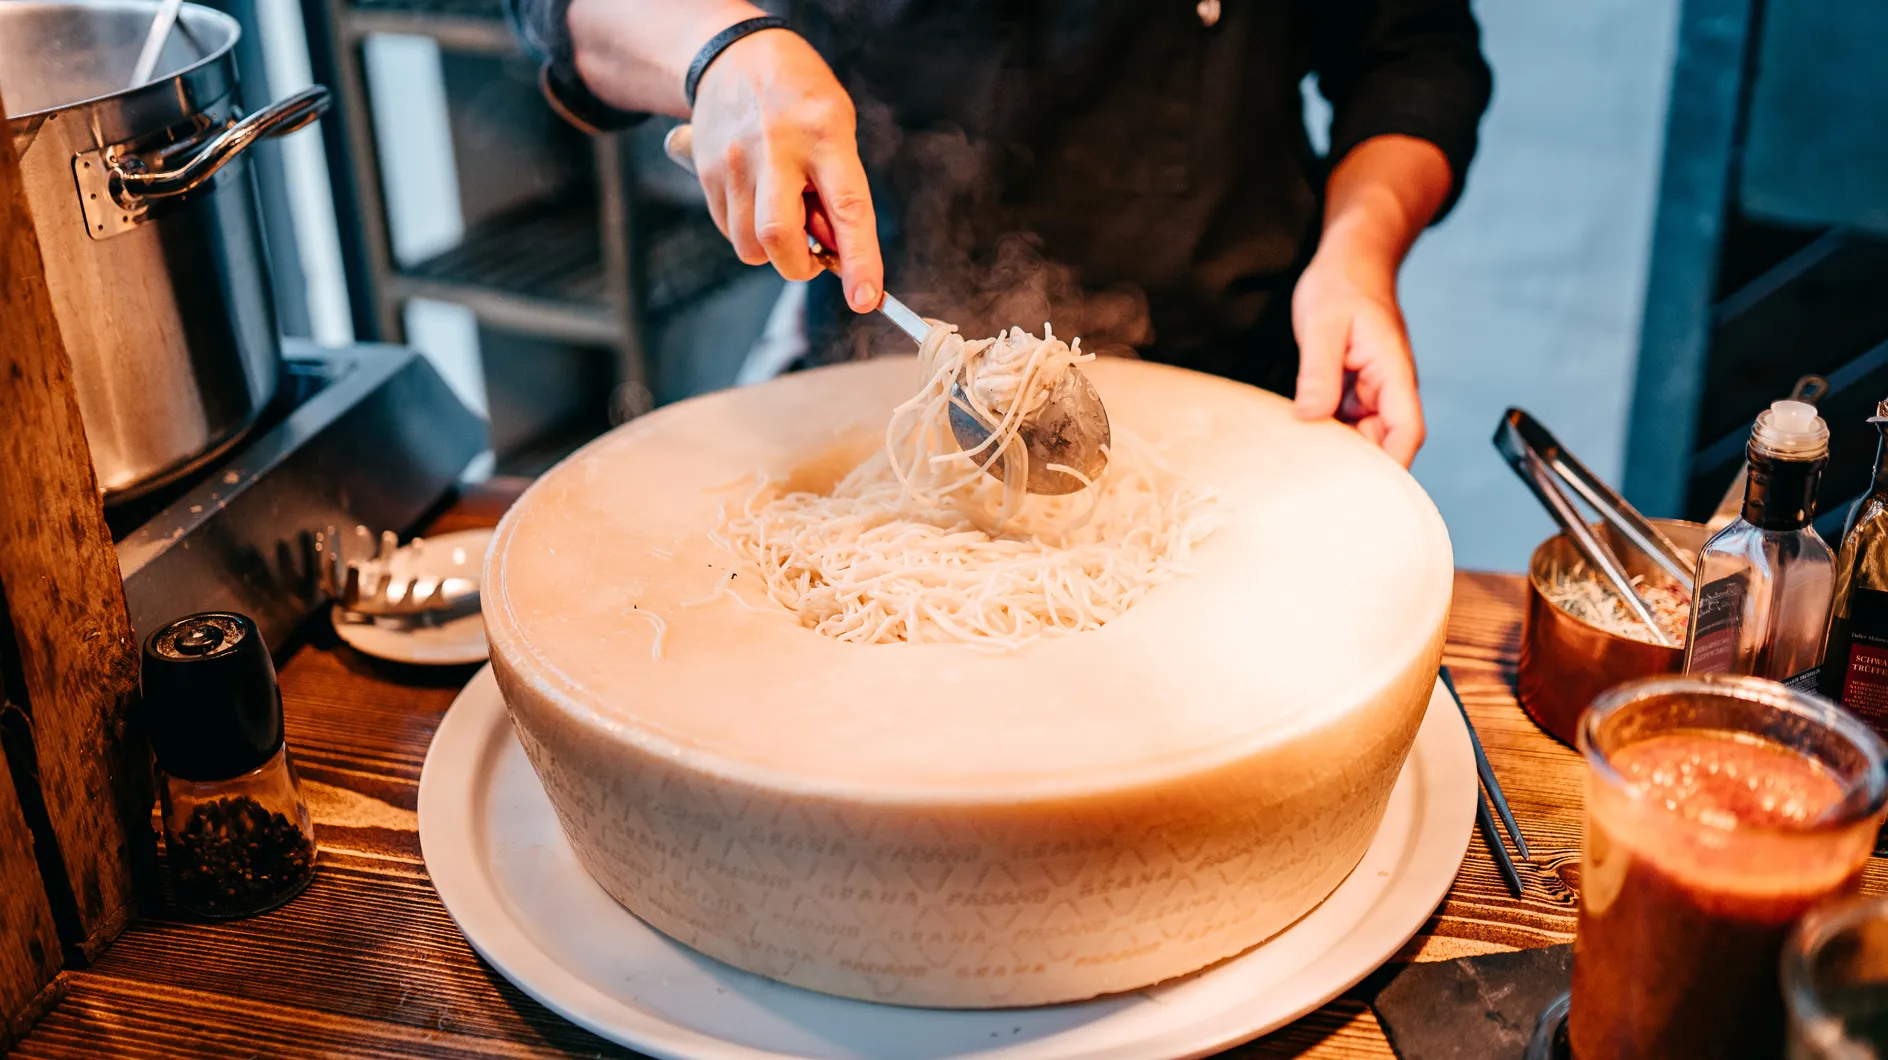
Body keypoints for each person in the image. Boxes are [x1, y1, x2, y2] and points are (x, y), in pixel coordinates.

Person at [507, 1, 1491, 468]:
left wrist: (1358, 249)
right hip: (871, 379)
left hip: (1240, 391)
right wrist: (719, 52)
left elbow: (1413, 53)